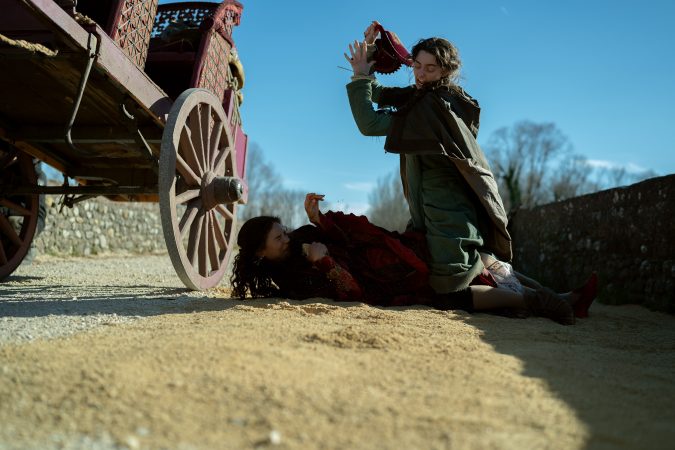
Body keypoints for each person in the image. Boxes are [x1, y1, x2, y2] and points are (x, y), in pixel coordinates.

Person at [342, 23, 596, 323]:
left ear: (445, 72)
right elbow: (385, 94)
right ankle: (567, 299)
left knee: (450, 292)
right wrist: (369, 56)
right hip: (444, 208)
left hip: (446, 214)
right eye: (418, 67)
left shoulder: (430, 109)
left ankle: (538, 301)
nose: (421, 75)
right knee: (482, 263)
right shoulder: (438, 98)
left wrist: (360, 75)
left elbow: (369, 124)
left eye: (431, 69)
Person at [230, 194, 597, 324]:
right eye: (278, 238)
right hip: (384, 284)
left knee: (475, 258)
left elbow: (343, 236)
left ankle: (559, 297)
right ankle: (547, 302)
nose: (287, 237)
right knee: (455, 292)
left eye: (284, 229)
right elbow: (351, 293)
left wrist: (320, 220)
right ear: (262, 253)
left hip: (389, 254)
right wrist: (324, 263)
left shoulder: (298, 239)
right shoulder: (292, 280)